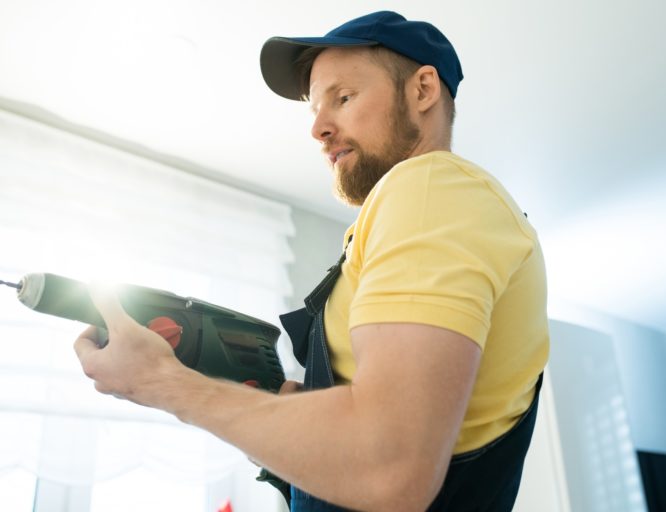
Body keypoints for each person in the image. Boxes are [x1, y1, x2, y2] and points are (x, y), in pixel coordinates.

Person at [74, 11, 549, 512]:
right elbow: (369, 415)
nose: (319, 129)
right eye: (314, 111)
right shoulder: (412, 214)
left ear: (423, 89)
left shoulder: (429, 189)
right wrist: (261, 388)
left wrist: (161, 382)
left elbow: (389, 466)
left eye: (343, 98)